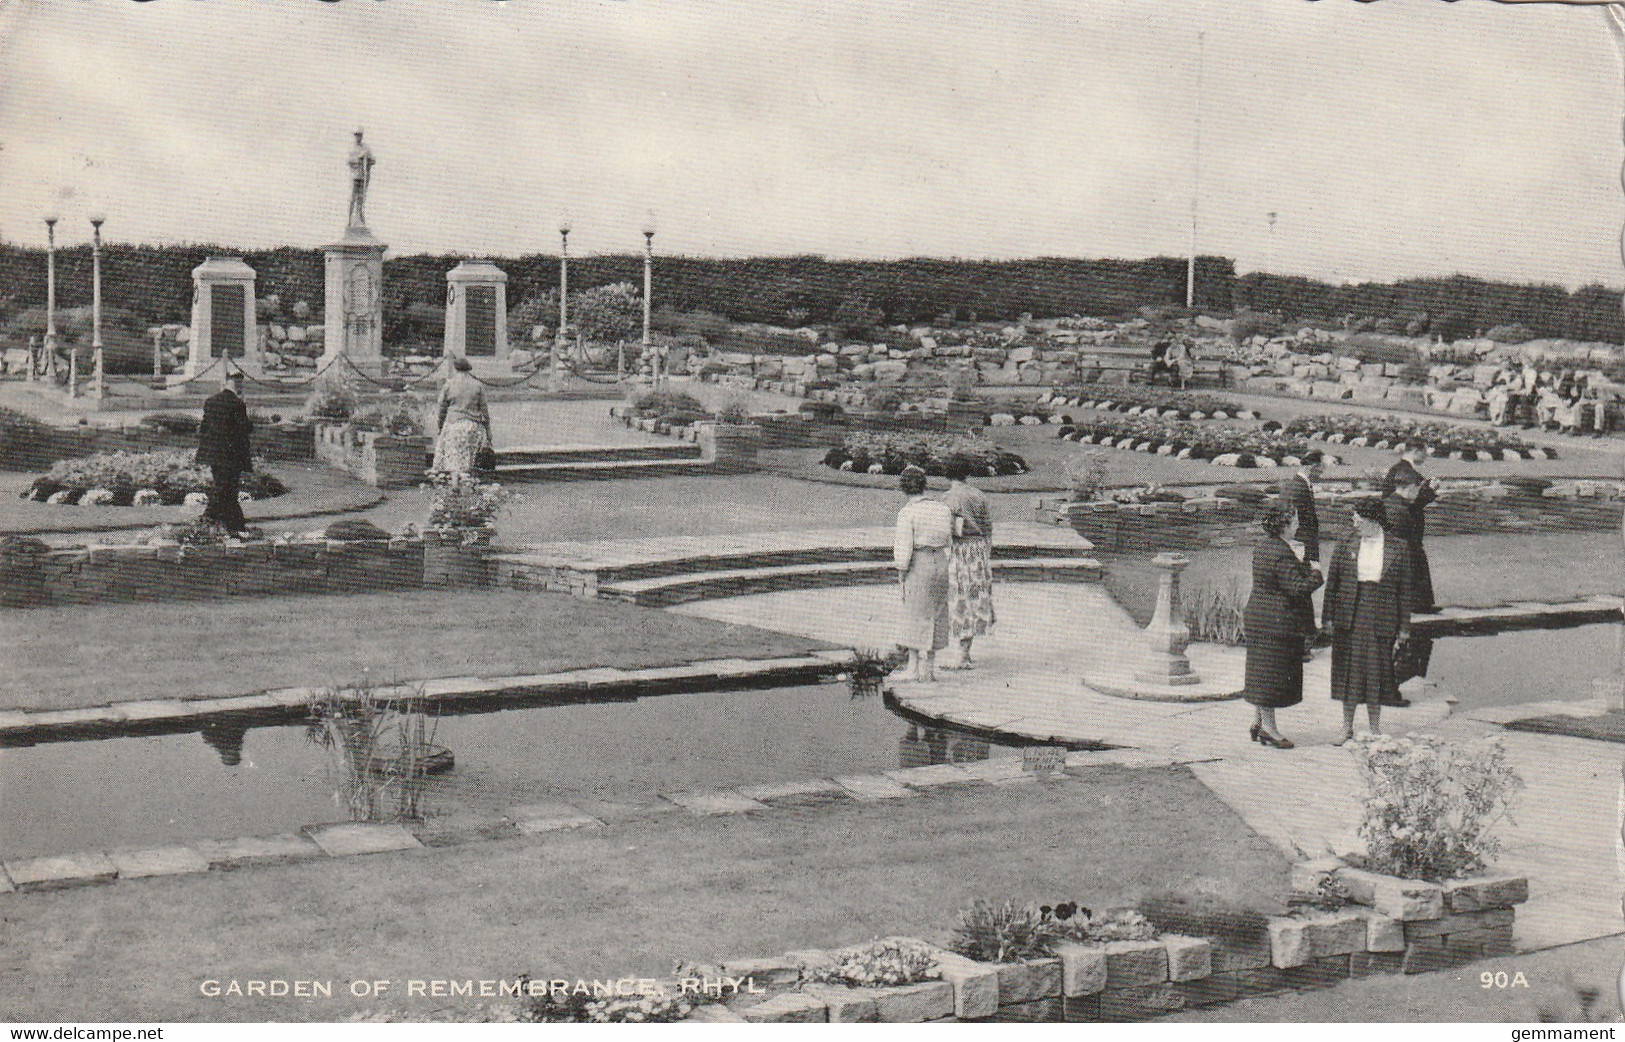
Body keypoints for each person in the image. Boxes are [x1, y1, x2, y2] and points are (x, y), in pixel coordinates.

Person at [1324, 496, 1416, 744]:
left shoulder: (1398, 547)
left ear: (1373, 520)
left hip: (1382, 615)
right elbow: (1332, 583)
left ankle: (1375, 729)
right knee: (1349, 673)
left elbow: (1405, 591)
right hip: (1350, 615)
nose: (1354, 524)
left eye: (1358, 519)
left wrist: (1404, 627)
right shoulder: (1346, 542)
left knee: (1376, 672)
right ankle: (1346, 728)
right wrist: (1328, 619)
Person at [1242, 502, 1324, 749]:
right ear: (1284, 524)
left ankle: (1259, 721)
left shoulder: (1264, 546)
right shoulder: (1280, 552)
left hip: (1261, 618)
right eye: (1295, 520)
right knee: (1272, 675)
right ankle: (1269, 729)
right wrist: (1316, 573)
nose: (1298, 524)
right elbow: (1297, 588)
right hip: (1276, 623)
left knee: (1262, 671)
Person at [892, 465, 955, 683]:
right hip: (940, 560)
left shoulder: (907, 512)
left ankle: (913, 668)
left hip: (919, 562)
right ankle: (929, 667)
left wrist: (901, 572)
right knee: (936, 611)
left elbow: (904, 546)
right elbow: (948, 537)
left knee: (914, 612)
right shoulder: (942, 508)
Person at [942, 459, 996, 669]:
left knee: (960, 600)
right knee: (975, 599)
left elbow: (947, 531)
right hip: (979, 550)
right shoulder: (978, 495)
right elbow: (988, 528)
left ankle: (962, 655)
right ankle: (966, 651)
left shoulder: (947, 498)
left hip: (959, 551)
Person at [196, 370, 254, 535]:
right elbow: (245, 428)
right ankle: (224, 522)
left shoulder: (210, 401)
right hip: (231, 455)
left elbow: (204, 428)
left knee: (224, 488)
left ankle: (223, 522)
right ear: (238, 385)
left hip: (214, 454)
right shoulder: (237, 404)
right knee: (227, 489)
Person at [1276, 458, 1323, 656]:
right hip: (1301, 547)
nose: (1322, 473)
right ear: (1312, 467)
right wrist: (1301, 549)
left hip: (1302, 545)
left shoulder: (1299, 484)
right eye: (1321, 469)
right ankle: (1304, 641)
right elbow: (1291, 519)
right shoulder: (1298, 487)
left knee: (1302, 591)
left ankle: (1308, 634)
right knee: (1302, 590)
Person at [433, 356, 493, 475]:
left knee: (454, 458)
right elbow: (484, 411)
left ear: (455, 369)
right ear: (468, 369)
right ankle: (469, 481)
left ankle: (454, 483)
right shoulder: (477, 385)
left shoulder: (449, 384)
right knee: (471, 457)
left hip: (453, 424)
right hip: (473, 426)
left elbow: (442, 408)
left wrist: (440, 426)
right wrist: (488, 431)